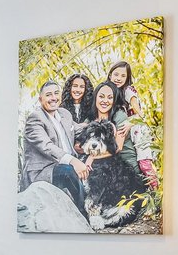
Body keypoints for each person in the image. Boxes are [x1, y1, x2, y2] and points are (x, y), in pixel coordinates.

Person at [21, 80, 89, 216]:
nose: (53, 98)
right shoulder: (35, 119)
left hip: (65, 165)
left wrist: (104, 124)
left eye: (56, 93)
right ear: (40, 99)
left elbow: (79, 130)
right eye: (48, 95)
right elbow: (47, 146)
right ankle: (83, 213)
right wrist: (73, 161)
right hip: (43, 171)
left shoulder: (64, 114)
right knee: (68, 171)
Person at [104, 61, 160, 190]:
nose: (118, 78)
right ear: (110, 75)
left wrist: (130, 122)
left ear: (127, 78)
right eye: (116, 74)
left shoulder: (128, 90)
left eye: (123, 76)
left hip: (137, 130)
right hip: (129, 132)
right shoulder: (112, 91)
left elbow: (139, 113)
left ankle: (155, 193)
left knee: (144, 163)